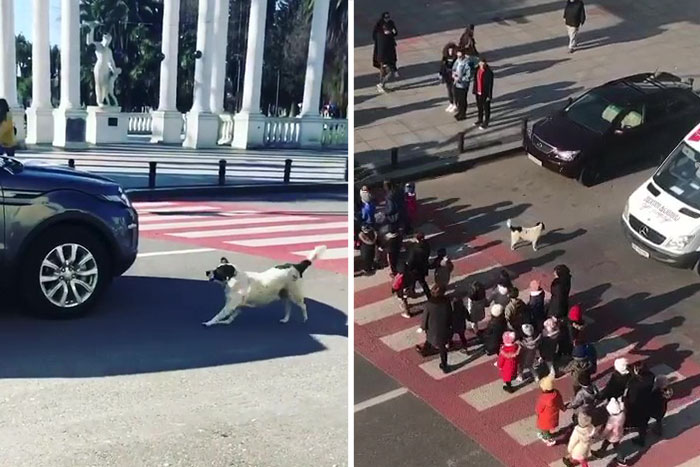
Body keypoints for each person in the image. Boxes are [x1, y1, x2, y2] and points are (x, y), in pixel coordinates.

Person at [416, 285, 453, 373]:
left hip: (432, 327)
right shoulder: (446, 302)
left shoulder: (429, 304)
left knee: (429, 339)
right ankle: (444, 365)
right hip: (443, 328)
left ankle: (424, 351)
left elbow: (425, 317)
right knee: (442, 347)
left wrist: (423, 327)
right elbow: (450, 314)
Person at [624, 361, 655, 446]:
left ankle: (626, 428)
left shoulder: (634, 383)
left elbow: (631, 393)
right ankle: (642, 439)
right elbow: (639, 378)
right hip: (646, 402)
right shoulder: (651, 376)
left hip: (635, 404)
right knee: (643, 423)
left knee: (630, 417)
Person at [591, 397, 627, 466]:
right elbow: (622, 405)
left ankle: (621, 459)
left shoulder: (612, 421)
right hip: (619, 433)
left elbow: (606, 431)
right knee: (607, 443)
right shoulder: (622, 413)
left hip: (612, 436)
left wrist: (599, 436)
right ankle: (601, 452)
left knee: (616, 447)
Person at [536, 375, 565, 447]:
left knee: (544, 428)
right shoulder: (556, 393)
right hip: (552, 416)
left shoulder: (543, 398)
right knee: (546, 427)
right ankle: (544, 434)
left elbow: (538, 409)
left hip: (544, 416)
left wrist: (537, 412)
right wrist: (563, 408)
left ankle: (547, 439)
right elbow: (560, 402)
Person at [451, 48, 477, 121]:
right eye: (458, 55)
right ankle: (460, 111)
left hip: (463, 85)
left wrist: (460, 79)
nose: (459, 57)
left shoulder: (467, 63)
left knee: (462, 100)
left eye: (460, 55)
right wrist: (454, 75)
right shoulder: (457, 61)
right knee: (458, 99)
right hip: (456, 83)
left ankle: (463, 114)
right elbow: (454, 68)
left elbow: (468, 76)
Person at [406, 232, 431, 299]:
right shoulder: (426, 244)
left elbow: (411, 260)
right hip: (423, 267)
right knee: (422, 282)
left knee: (413, 282)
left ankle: (412, 293)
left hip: (415, 269)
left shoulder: (414, 249)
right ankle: (429, 295)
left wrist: (409, 268)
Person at [375, 25, 398, 93]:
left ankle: (382, 85)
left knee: (384, 72)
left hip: (383, 58)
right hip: (386, 59)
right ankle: (381, 84)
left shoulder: (381, 35)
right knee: (390, 72)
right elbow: (388, 49)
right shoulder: (386, 38)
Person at [472, 56, 494, 129]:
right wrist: (474, 90)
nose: (481, 64)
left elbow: (490, 85)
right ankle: (480, 119)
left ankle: (486, 122)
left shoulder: (489, 73)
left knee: (486, 108)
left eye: (483, 63)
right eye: (480, 62)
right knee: (479, 107)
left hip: (485, 93)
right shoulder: (477, 70)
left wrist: (489, 96)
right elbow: (475, 81)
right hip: (478, 92)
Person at [438, 43, 458, 113]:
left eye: (452, 50)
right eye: (449, 50)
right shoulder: (445, 57)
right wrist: (441, 74)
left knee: (454, 91)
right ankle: (451, 103)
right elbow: (442, 66)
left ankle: (456, 104)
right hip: (447, 76)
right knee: (449, 90)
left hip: (453, 76)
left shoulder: (456, 58)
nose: (450, 52)